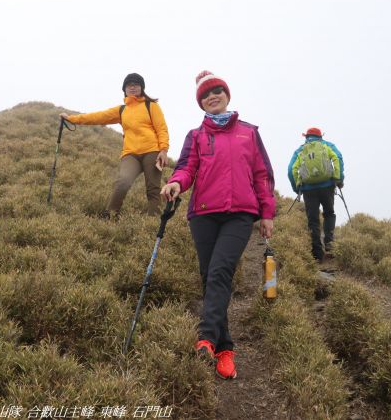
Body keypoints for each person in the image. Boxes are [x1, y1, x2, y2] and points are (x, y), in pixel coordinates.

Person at [161, 71, 276, 380]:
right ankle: (225, 349)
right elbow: (186, 168)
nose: (212, 96)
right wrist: (175, 183)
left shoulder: (249, 133)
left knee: (220, 272)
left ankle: (206, 338)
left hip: (240, 214)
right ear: (201, 103)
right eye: (206, 95)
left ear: (227, 95)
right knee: (210, 278)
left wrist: (267, 213)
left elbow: (262, 174)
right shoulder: (196, 136)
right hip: (203, 214)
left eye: (217, 91)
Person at [60, 73, 169, 216]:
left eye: (136, 84)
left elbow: (161, 128)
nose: (133, 87)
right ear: (124, 89)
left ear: (142, 88)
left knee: (153, 189)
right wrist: (72, 119)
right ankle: (110, 216)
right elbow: (97, 116)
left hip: (152, 151)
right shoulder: (122, 110)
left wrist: (163, 150)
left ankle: (154, 223)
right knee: (123, 182)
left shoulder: (151, 106)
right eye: (129, 85)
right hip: (131, 154)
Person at [287, 127, 344, 262]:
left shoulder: (300, 150)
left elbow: (291, 169)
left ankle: (317, 254)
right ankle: (329, 245)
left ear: (306, 137)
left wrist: (297, 187)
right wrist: (338, 178)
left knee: (313, 220)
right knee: (329, 213)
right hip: (327, 186)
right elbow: (338, 158)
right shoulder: (328, 145)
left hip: (308, 189)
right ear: (320, 137)